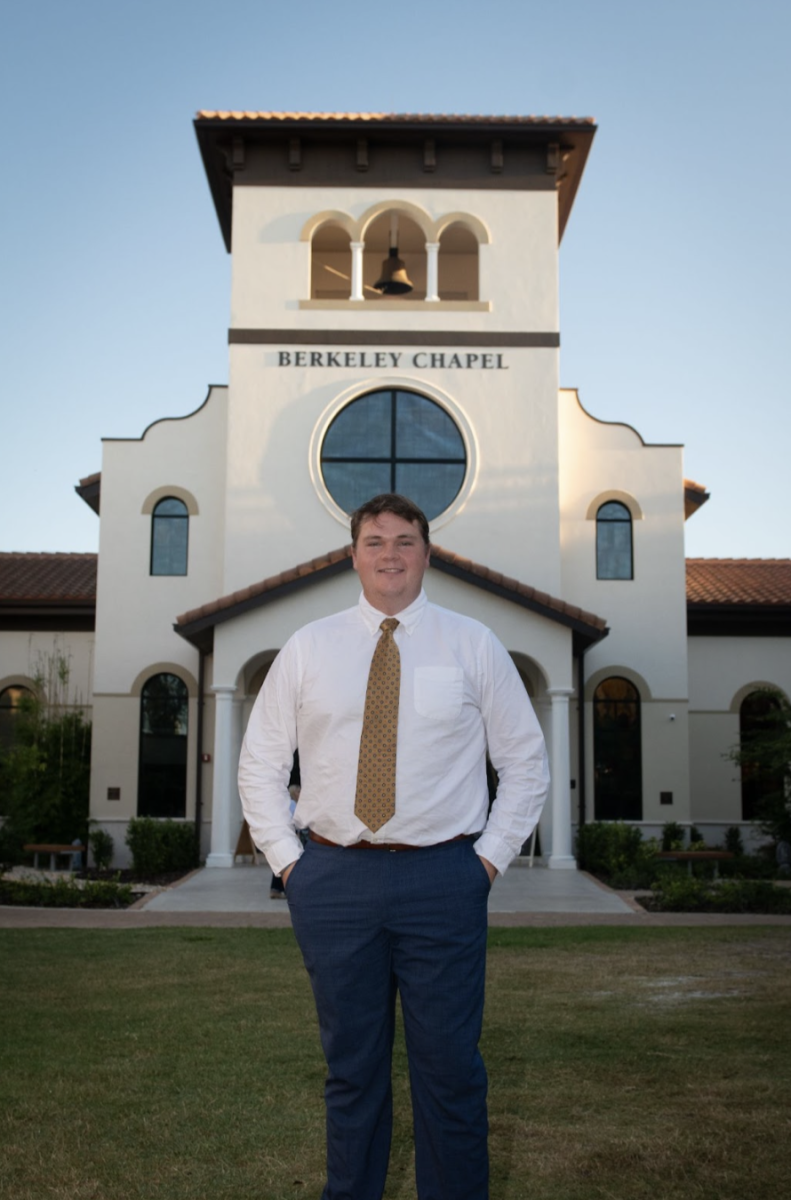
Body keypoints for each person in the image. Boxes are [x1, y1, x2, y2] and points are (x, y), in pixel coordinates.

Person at [238, 493, 549, 1200]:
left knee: (449, 1071)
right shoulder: (308, 647)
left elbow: (525, 762)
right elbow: (259, 763)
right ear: (352, 555)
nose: (389, 554)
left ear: (426, 553)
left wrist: (487, 859)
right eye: (374, 541)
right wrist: (289, 864)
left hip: (443, 878)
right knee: (352, 1072)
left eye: (404, 541)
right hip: (334, 880)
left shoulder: (471, 643)